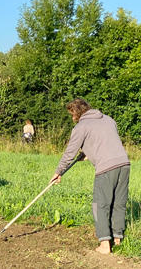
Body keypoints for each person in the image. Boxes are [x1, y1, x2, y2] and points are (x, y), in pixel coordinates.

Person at [50, 98, 130, 254]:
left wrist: (58, 172)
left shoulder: (81, 126)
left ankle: (105, 245)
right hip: (124, 164)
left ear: (77, 112)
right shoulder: (108, 119)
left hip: (106, 168)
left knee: (100, 204)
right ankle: (118, 239)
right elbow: (105, 142)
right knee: (118, 202)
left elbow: (69, 153)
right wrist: (87, 153)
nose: (72, 118)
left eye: (72, 114)